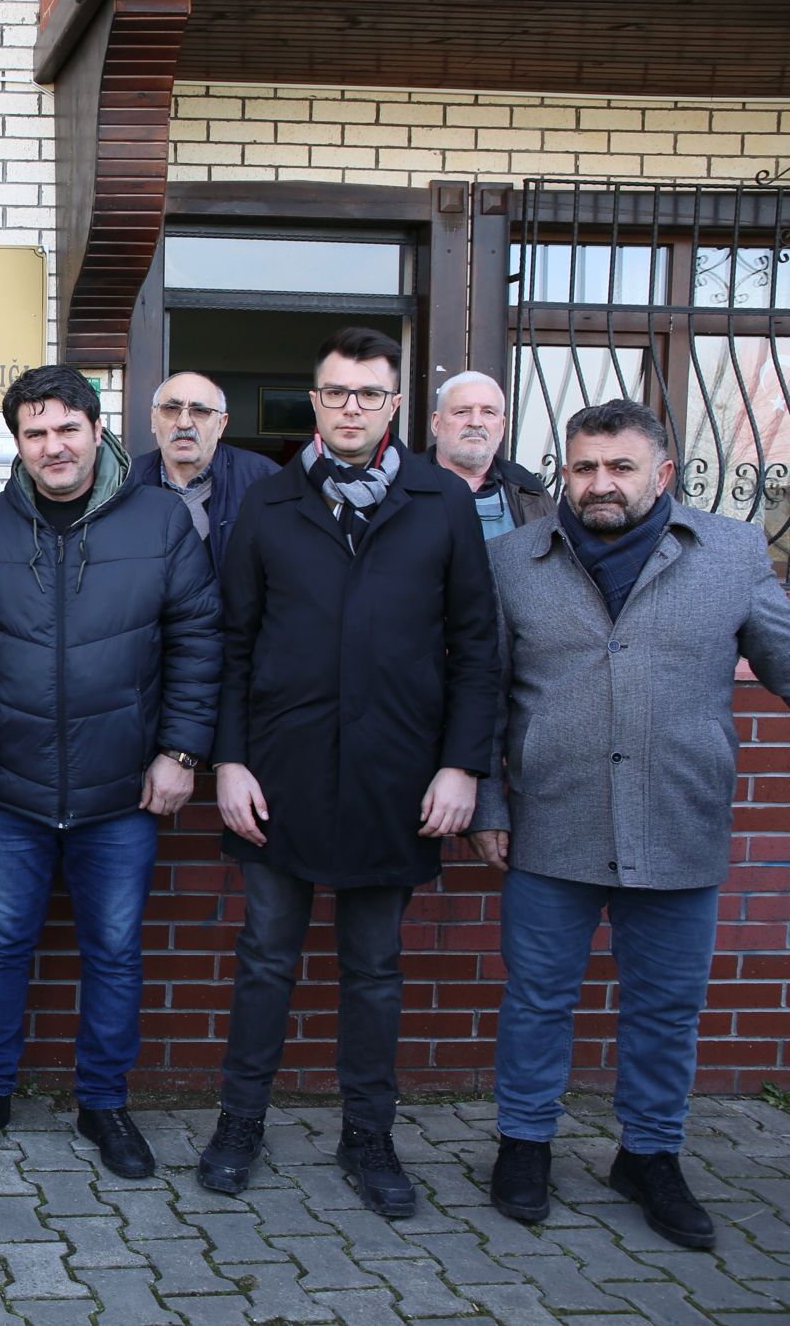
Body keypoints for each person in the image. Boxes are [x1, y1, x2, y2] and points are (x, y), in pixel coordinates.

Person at [472, 398, 790, 1250]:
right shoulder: (513, 561)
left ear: (664, 472)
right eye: (584, 467)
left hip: (678, 818)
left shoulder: (731, 552)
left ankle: (650, 1153)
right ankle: (524, 1142)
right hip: (552, 819)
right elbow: (485, 696)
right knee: (537, 998)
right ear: (564, 473)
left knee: (666, 1006)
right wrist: (490, 805)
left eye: (620, 466)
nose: (600, 483)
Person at [201, 327, 499, 1219]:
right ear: (316, 401)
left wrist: (461, 766)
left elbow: (475, 647)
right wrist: (229, 759)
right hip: (278, 774)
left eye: (370, 393)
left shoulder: (441, 501)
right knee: (265, 958)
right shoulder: (270, 501)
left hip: (395, 775)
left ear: (395, 404)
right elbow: (233, 642)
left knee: (374, 966)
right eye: (336, 392)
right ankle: (240, 1122)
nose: (352, 408)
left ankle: (368, 1133)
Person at [0, 365, 222, 1177]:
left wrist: (180, 751)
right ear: (17, 443)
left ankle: (104, 1101)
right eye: (35, 432)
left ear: (98, 431)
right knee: (0, 945)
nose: (53, 445)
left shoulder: (161, 519)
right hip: (11, 789)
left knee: (114, 949)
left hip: (122, 788)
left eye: (68, 427)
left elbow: (198, 639)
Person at [127, 371, 281, 577]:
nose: (184, 423)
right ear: (153, 419)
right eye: (171, 409)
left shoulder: (264, 480)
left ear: (221, 424)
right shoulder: (125, 482)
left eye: (200, 411)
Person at [427, 370, 554, 539]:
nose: (476, 423)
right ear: (436, 424)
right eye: (462, 411)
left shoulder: (530, 490)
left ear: (502, 426)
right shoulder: (403, 485)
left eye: (488, 412)